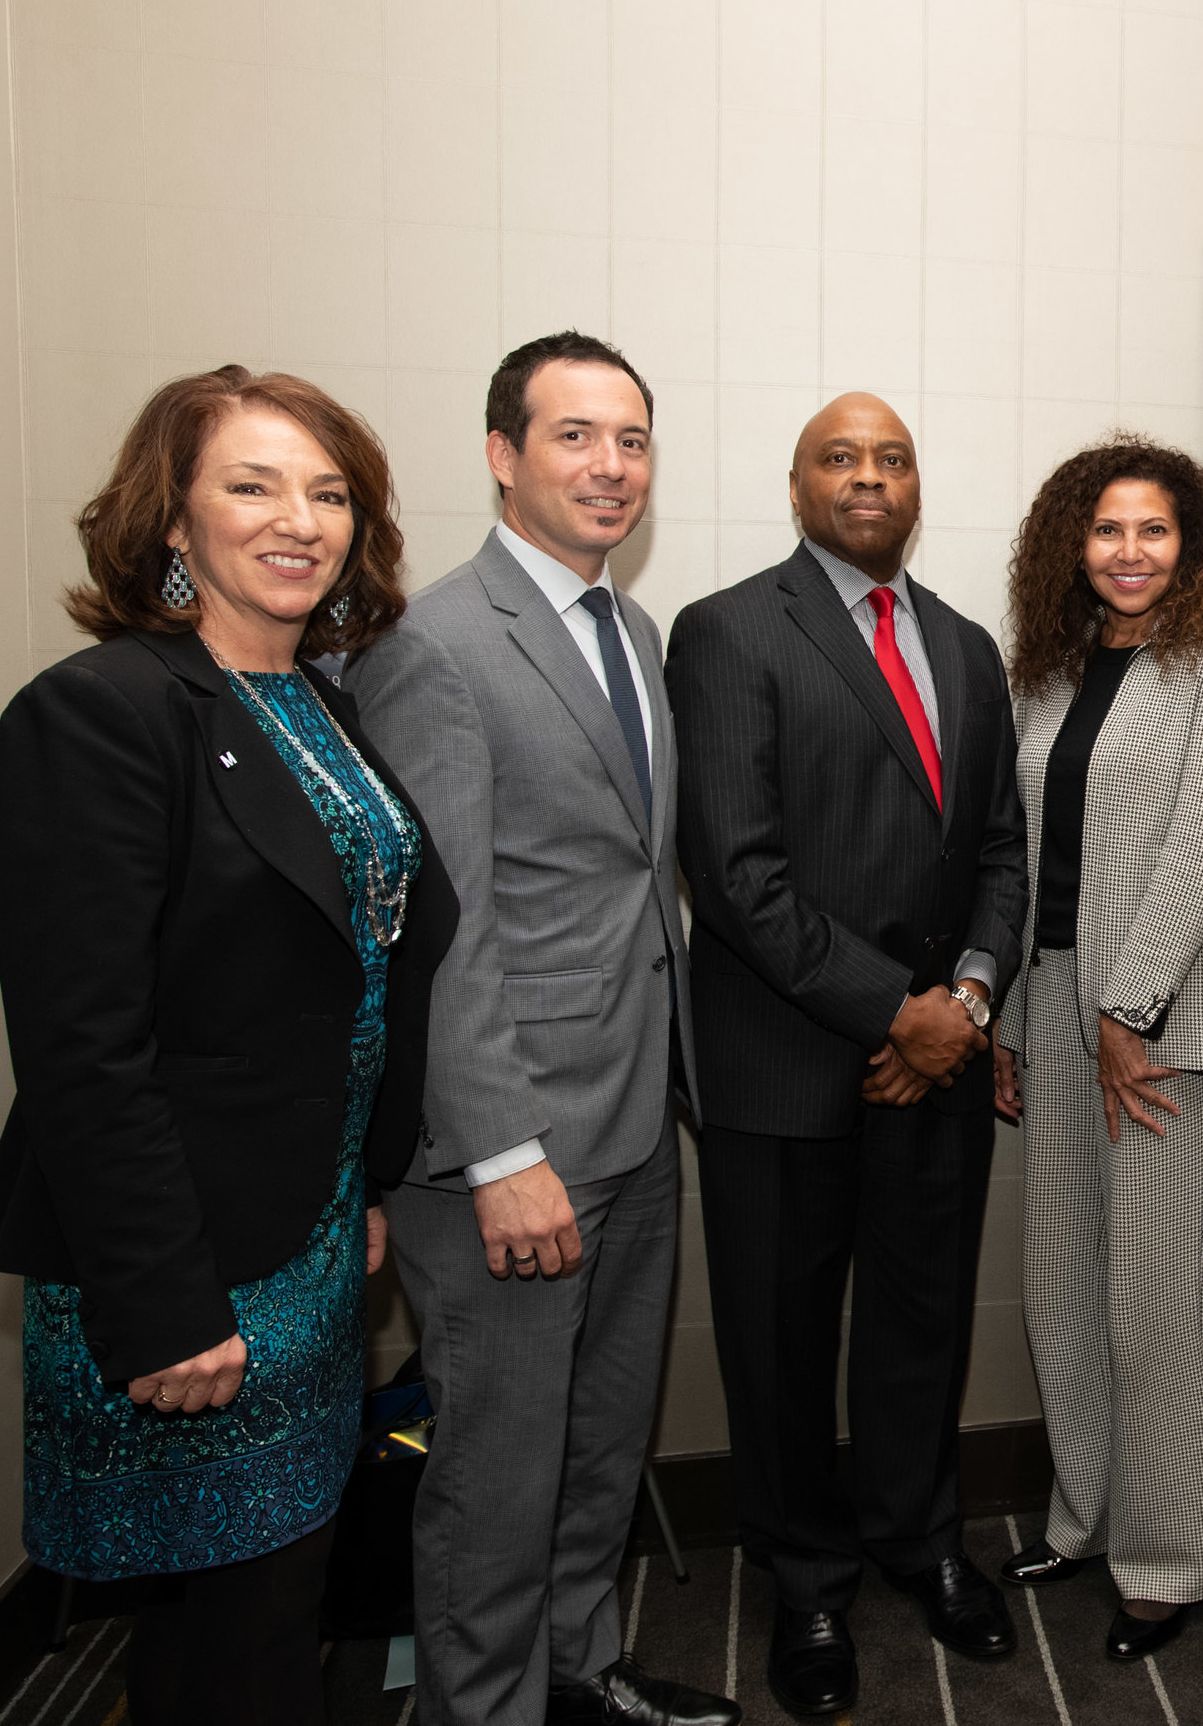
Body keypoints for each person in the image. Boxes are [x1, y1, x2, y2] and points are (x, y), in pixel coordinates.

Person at [0, 367, 455, 1725]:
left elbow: (347, 977)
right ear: (171, 521)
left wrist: (357, 1182)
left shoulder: (318, 704)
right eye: (252, 483)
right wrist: (164, 1299)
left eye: (328, 491)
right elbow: (83, 1049)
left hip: (301, 1243)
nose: (298, 518)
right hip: (183, 1264)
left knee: (267, 1607)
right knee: (226, 1631)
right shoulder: (101, 713)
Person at [349, 333, 735, 1726]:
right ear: (504, 454)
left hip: (635, 1119)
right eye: (576, 436)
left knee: (596, 1450)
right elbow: (436, 934)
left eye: (632, 439)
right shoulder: (435, 644)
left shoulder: (629, 630)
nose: (611, 466)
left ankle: (581, 1676)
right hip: (513, 1150)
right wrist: (501, 1147)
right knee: (497, 1476)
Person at [667, 392, 1028, 1719]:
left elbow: (999, 849)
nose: (868, 477)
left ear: (917, 486)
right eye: (841, 458)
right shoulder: (727, 631)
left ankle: (920, 1538)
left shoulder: (966, 645)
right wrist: (900, 1012)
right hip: (786, 1066)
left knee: (920, 1324)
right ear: (797, 483)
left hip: (938, 1060)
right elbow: (736, 872)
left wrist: (968, 1002)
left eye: (892, 457)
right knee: (778, 1340)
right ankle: (806, 1577)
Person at [989, 435, 1203, 1660]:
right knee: (1062, 1284)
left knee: (1150, 1303)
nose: (1131, 552)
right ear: (1073, 545)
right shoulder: (1040, 674)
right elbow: (1018, 859)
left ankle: (1166, 1561)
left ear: (1188, 545)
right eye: (1108, 530)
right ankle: (1083, 1516)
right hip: (1049, 1007)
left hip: (1157, 1025)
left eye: (1154, 530)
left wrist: (1127, 1010)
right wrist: (1008, 1018)